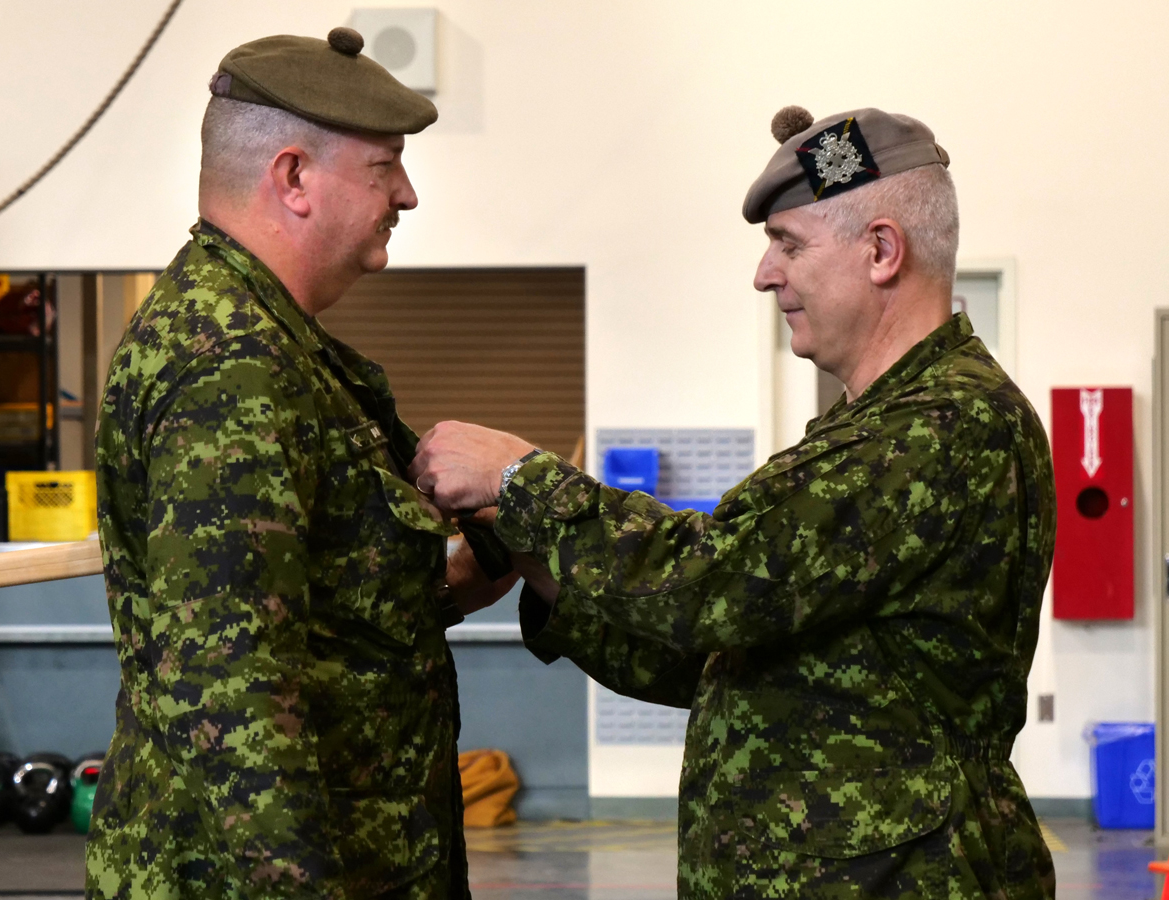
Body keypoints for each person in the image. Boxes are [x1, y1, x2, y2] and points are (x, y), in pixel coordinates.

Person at [410, 107, 1057, 898]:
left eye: (789, 243)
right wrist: (537, 561)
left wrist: (522, 479)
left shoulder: (945, 424)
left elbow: (714, 583)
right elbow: (719, 659)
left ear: (882, 250)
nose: (764, 273)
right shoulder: (874, 426)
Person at [86, 28, 515, 900]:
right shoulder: (229, 361)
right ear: (293, 177)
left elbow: (315, 616)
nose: (408, 194)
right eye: (383, 166)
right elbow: (228, 680)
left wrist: (470, 567)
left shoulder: (281, 347)